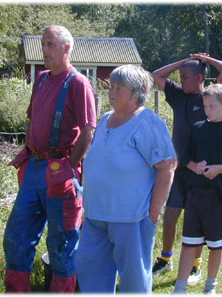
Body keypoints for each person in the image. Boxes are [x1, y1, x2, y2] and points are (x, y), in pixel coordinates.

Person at [4, 25, 96, 293]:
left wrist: (68, 168)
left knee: (62, 245)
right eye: (43, 44)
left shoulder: (78, 83)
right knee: (16, 238)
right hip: (34, 168)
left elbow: (89, 130)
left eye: (50, 45)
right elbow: (33, 120)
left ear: (67, 48)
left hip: (60, 172)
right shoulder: (41, 79)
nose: (44, 50)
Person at [75, 64, 177, 293]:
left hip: (131, 219)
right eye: (111, 86)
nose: (111, 92)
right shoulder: (105, 120)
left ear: (136, 95)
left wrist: (152, 215)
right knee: (90, 273)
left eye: (119, 88)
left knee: (133, 282)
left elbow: (167, 166)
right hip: (95, 217)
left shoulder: (147, 123)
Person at [152, 53, 222, 285]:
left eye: (185, 76)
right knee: (170, 217)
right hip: (179, 169)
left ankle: (195, 266)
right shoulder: (177, 96)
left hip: (202, 171)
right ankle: (165, 258)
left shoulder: (209, 98)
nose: (181, 79)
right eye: (180, 76)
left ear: (199, 77)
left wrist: (203, 59)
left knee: (196, 220)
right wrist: (183, 62)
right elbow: (157, 75)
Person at [173, 83, 222, 294]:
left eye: (212, 106)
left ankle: (211, 286)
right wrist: (195, 167)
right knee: (189, 243)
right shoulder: (197, 129)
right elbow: (185, 158)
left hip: (220, 198)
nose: (207, 110)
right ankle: (180, 287)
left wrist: (218, 169)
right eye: (205, 106)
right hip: (195, 196)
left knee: (217, 245)